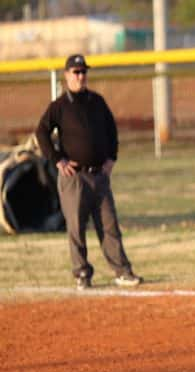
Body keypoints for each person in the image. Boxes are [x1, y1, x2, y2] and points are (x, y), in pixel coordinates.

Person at [35, 54, 143, 290]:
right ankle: (82, 273)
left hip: (99, 175)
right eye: (76, 72)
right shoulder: (60, 106)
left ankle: (122, 272)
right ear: (67, 76)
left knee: (109, 225)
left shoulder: (97, 101)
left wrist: (111, 158)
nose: (81, 76)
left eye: (84, 71)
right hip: (74, 178)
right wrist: (57, 159)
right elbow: (41, 132)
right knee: (76, 227)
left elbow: (111, 130)